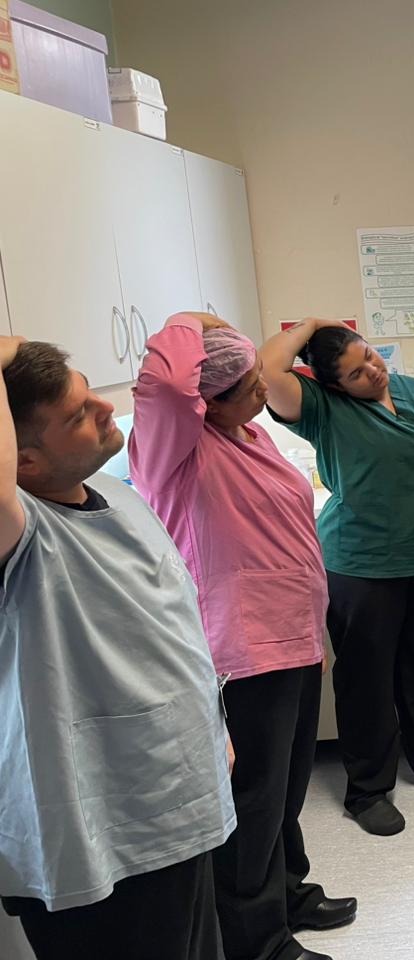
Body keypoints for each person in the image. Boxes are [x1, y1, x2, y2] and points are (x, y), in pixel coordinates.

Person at [128, 313, 356, 960]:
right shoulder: (177, 453)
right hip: (246, 651)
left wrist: (313, 632)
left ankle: (288, 893)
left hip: (294, 637)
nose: (264, 389)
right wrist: (188, 321)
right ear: (206, 402)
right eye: (251, 384)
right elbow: (165, 387)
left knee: (285, 790)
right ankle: (258, 941)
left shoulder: (248, 433)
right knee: (255, 800)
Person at [0, 336, 235, 959]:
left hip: (176, 794)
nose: (107, 408)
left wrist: (211, 728)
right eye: (79, 414)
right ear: (23, 461)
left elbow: (170, 625)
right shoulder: (23, 534)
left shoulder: (118, 493)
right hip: (99, 826)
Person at [260, 319, 414, 837]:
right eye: (356, 373)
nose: (373, 371)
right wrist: (313, 324)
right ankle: (367, 790)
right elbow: (268, 370)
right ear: (334, 385)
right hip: (360, 566)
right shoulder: (322, 408)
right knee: (366, 679)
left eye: (370, 356)